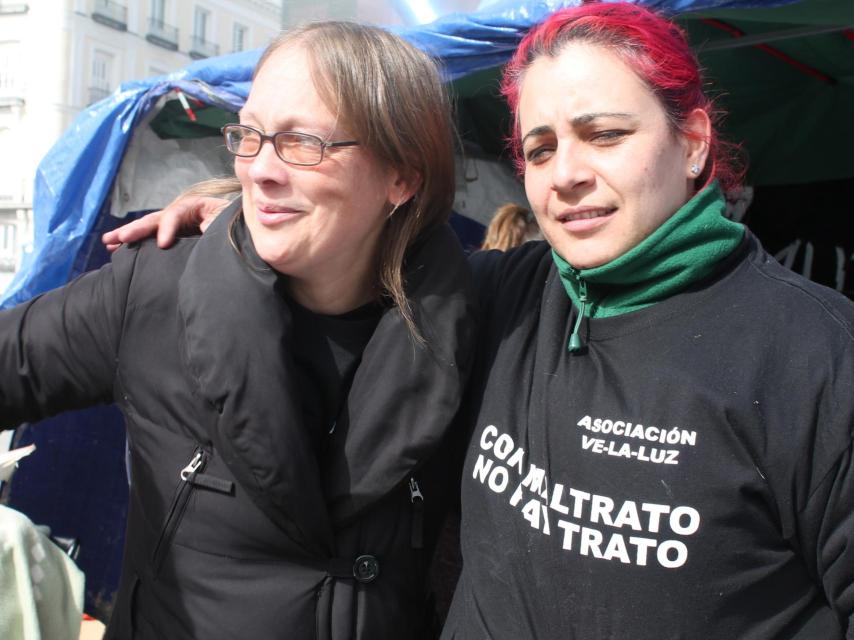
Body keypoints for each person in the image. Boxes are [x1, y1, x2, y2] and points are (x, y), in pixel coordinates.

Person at [104, 4, 854, 639]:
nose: (566, 174)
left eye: (606, 135)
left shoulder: (819, 356)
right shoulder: (498, 296)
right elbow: (362, 251)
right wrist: (242, 220)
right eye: (540, 148)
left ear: (691, 144)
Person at [0, 21, 476, 640]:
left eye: (303, 142)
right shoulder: (156, 291)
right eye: (248, 136)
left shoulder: (475, 320)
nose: (260, 171)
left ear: (402, 176)